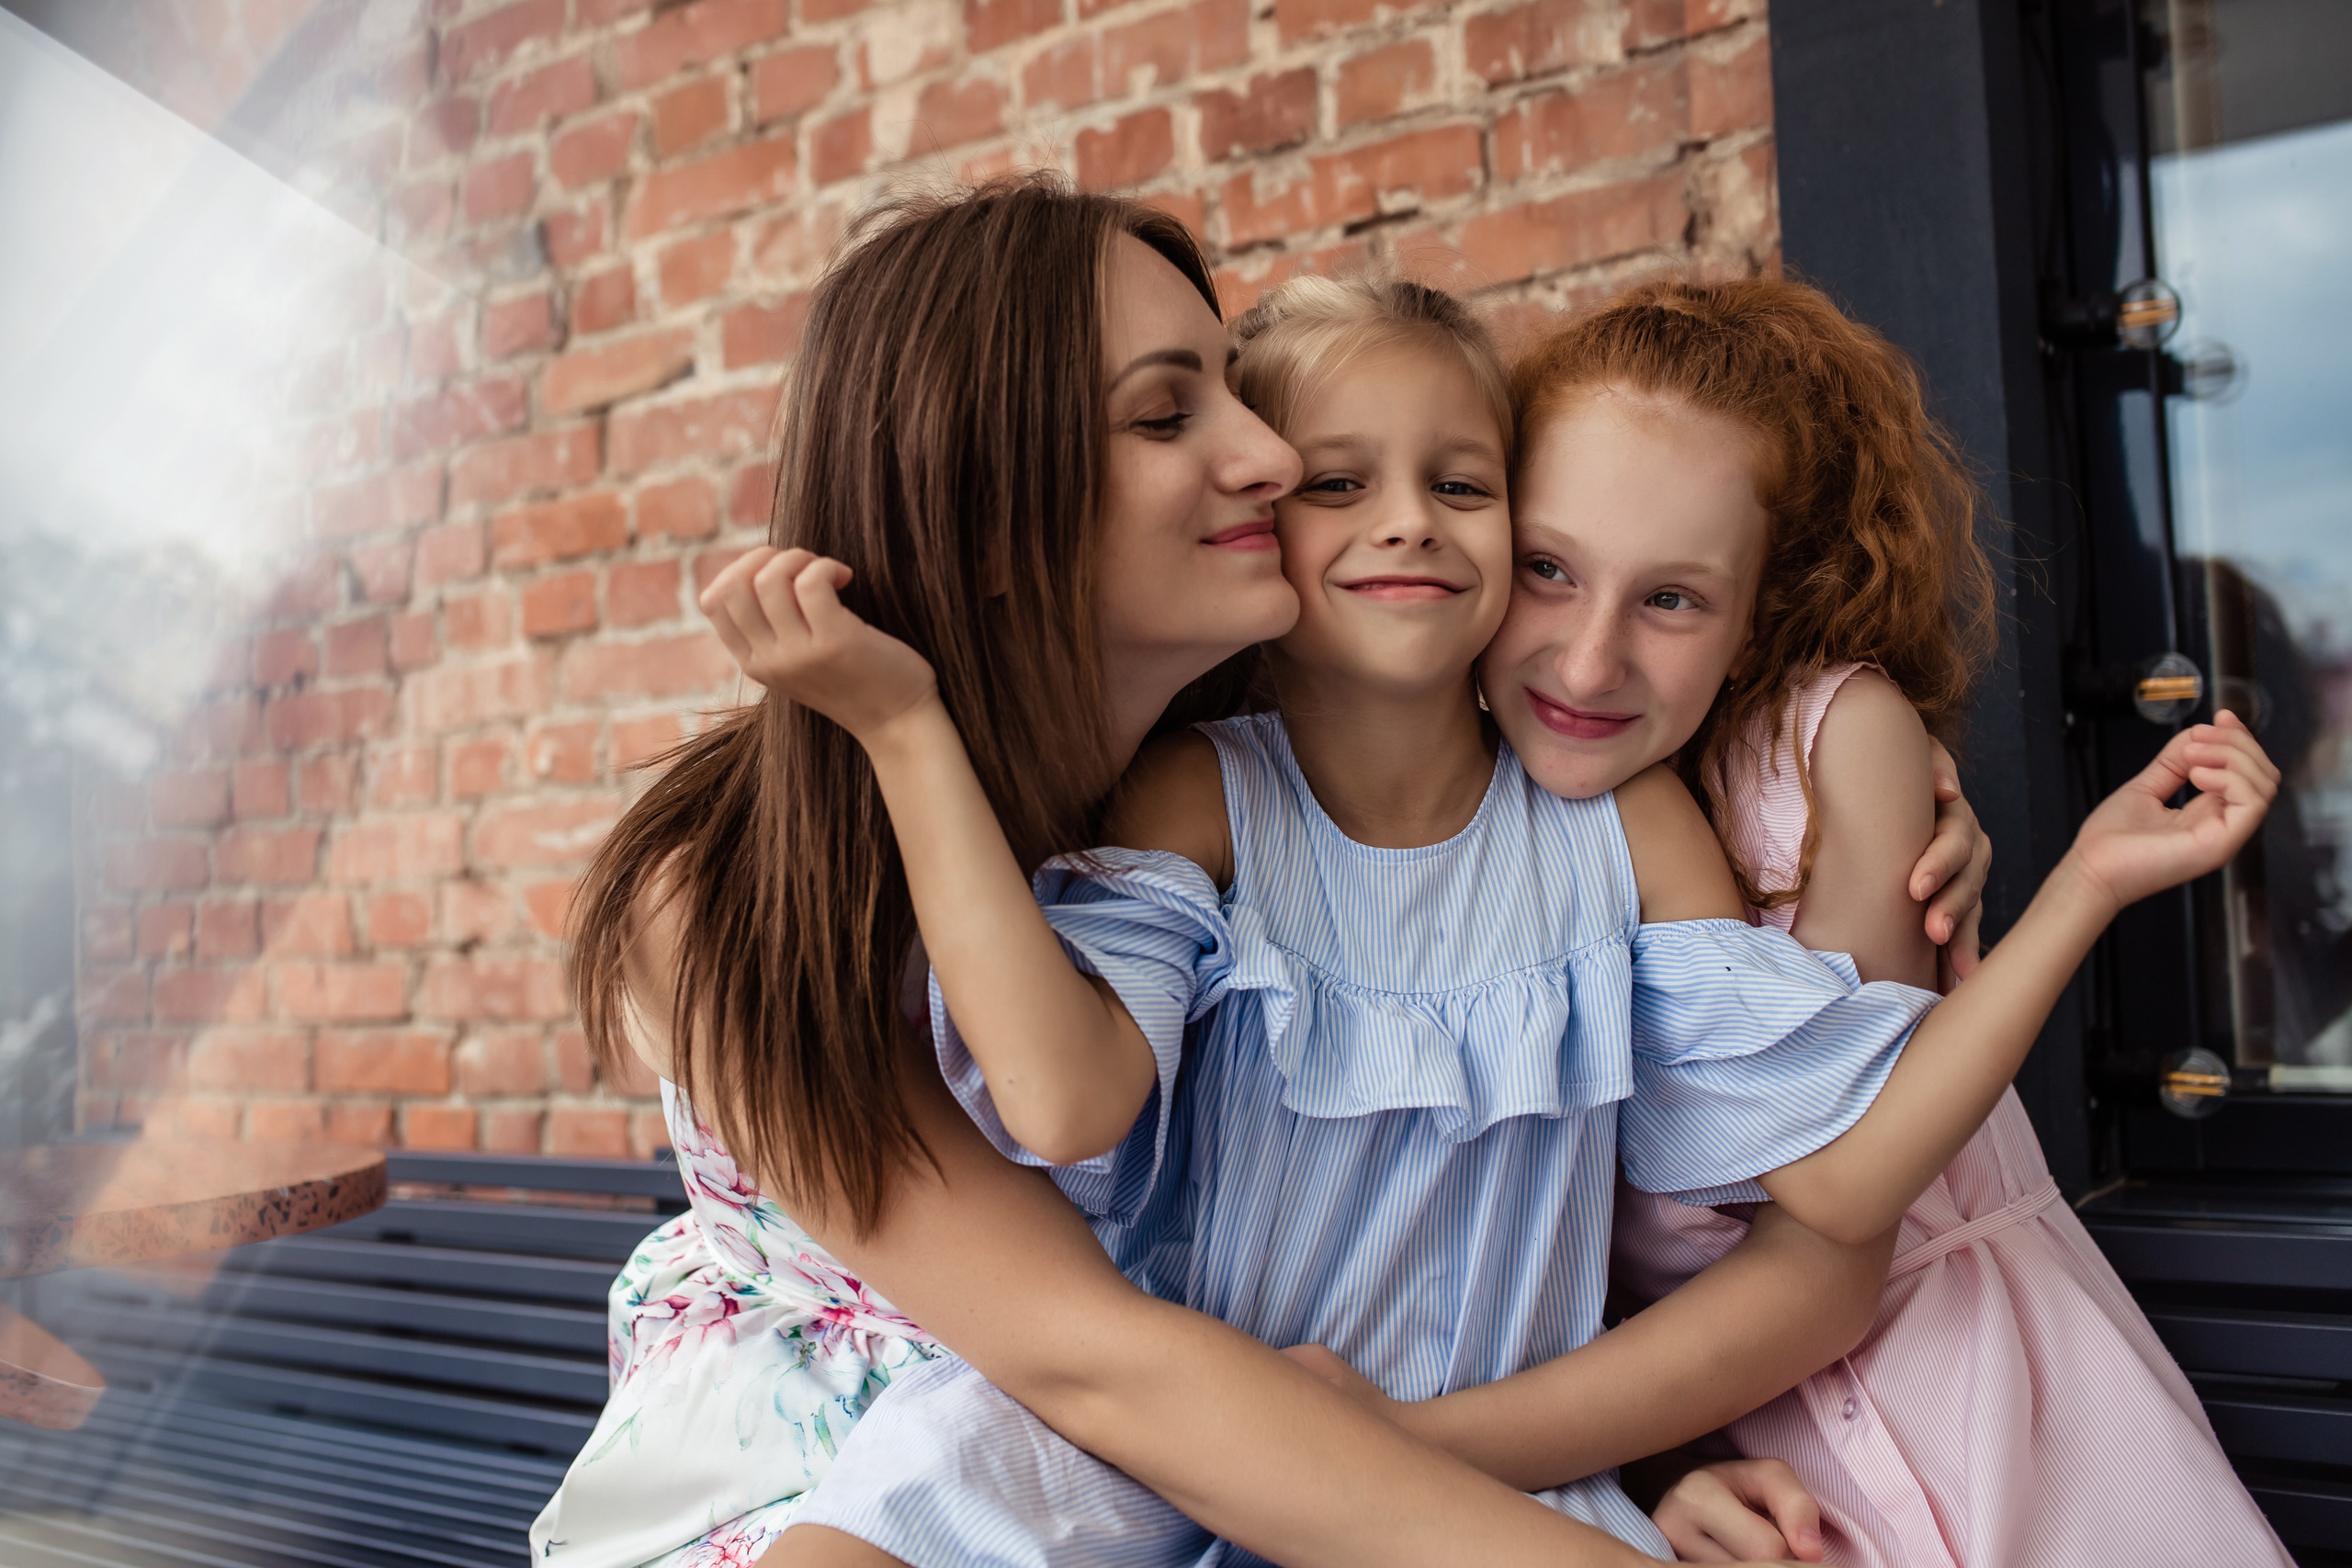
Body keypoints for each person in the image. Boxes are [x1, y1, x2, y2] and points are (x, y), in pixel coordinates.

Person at [534, 181, 1984, 1568]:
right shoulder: (726, 896)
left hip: (1244, 1462)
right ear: (991, 518)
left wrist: (1865, 789)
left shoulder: (1245, 775)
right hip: (879, 1491)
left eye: (1235, 389)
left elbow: (1444, 1187)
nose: (1275, 457)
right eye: (1173, 412)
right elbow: (1094, 1366)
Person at [1469, 277, 2292, 1566]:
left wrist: (2080, 882)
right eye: (1548, 569)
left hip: (1995, 1409)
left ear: (1757, 620)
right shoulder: (1479, 820)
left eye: (1672, 599)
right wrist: (1652, 1465)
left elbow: (1836, 1187)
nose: (1586, 661)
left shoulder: (1833, 739)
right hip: (1753, 1481)